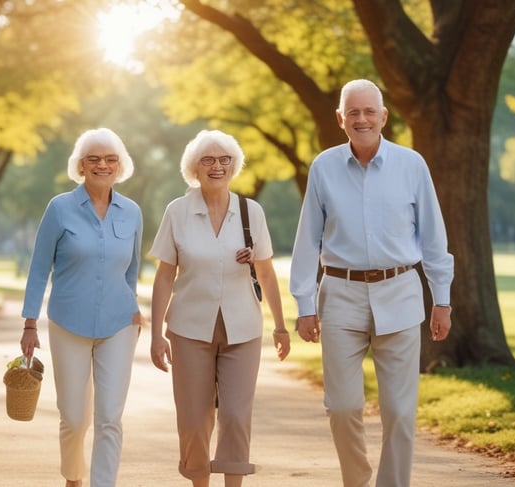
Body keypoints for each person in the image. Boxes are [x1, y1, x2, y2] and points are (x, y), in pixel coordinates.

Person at [290, 79, 454, 487]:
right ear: (340, 119)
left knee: (400, 410)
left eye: (369, 112)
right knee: (343, 406)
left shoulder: (412, 165)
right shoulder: (324, 167)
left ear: (383, 116)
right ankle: (357, 478)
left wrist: (442, 299)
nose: (361, 119)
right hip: (341, 295)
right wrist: (304, 305)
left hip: (400, 292)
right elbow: (307, 241)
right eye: (353, 112)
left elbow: (433, 238)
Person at [149, 129, 291, 487]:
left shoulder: (250, 212)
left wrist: (280, 326)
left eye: (225, 159)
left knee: (236, 416)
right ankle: (198, 481)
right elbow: (165, 276)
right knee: (195, 419)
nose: (217, 166)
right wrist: (155, 336)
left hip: (242, 328)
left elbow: (267, 273)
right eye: (208, 160)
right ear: (194, 168)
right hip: (189, 329)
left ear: (234, 165)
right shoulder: (177, 212)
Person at [20, 127, 143, 487]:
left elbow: (132, 268)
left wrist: (134, 306)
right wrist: (29, 323)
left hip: (120, 324)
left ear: (119, 166)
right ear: (81, 165)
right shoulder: (60, 208)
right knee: (74, 417)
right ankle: (73, 475)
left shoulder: (132, 212)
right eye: (94, 159)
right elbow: (39, 267)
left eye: (110, 159)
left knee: (109, 417)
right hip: (68, 323)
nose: (102, 165)